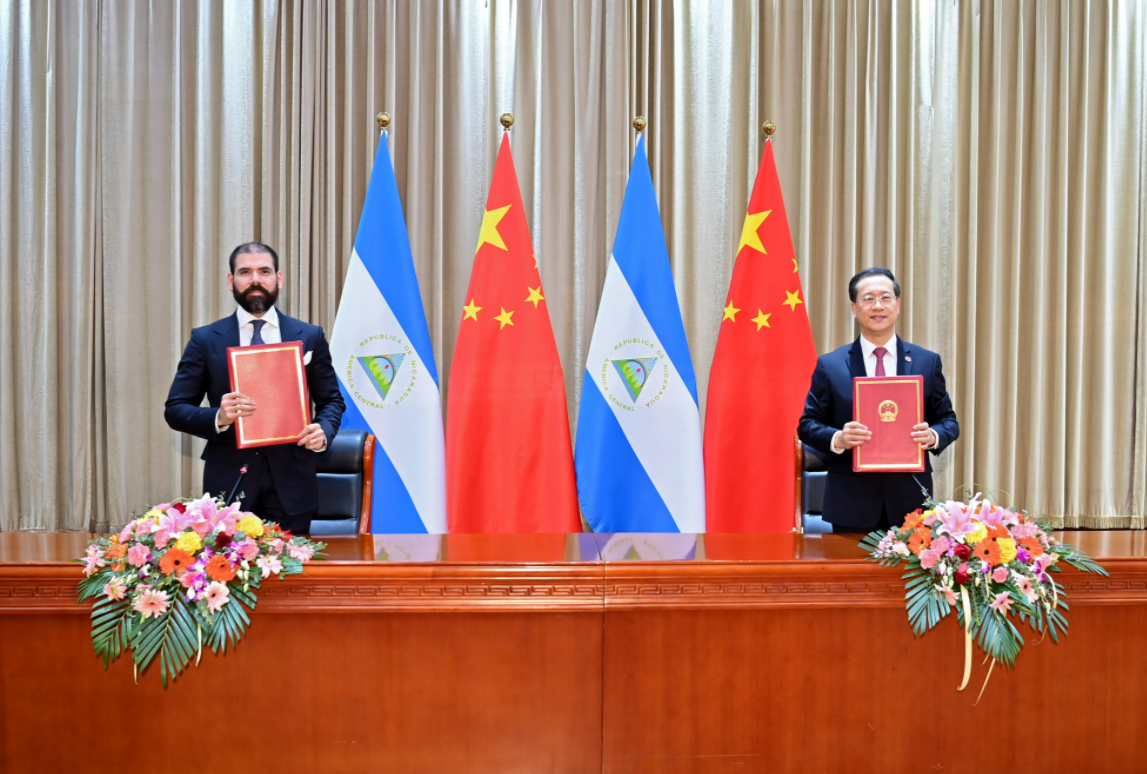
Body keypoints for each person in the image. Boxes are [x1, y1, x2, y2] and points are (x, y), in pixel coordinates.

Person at [165, 242, 345, 534]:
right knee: (230, 577)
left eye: (264, 271)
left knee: (292, 575)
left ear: (279, 279)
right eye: (245, 272)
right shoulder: (205, 339)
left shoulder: (309, 336)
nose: (255, 279)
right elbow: (175, 409)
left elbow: (332, 401)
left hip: (293, 485)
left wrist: (323, 430)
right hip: (230, 484)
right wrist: (218, 417)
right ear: (230, 281)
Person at [798, 267, 959, 533]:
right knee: (851, 576)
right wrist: (838, 437)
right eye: (868, 298)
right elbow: (807, 425)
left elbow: (949, 421)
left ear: (897, 305)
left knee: (908, 577)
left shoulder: (925, 361)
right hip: (851, 502)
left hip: (911, 501)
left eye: (885, 298)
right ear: (854, 308)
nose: (878, 306)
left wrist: (932, 435)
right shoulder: (831, 365)